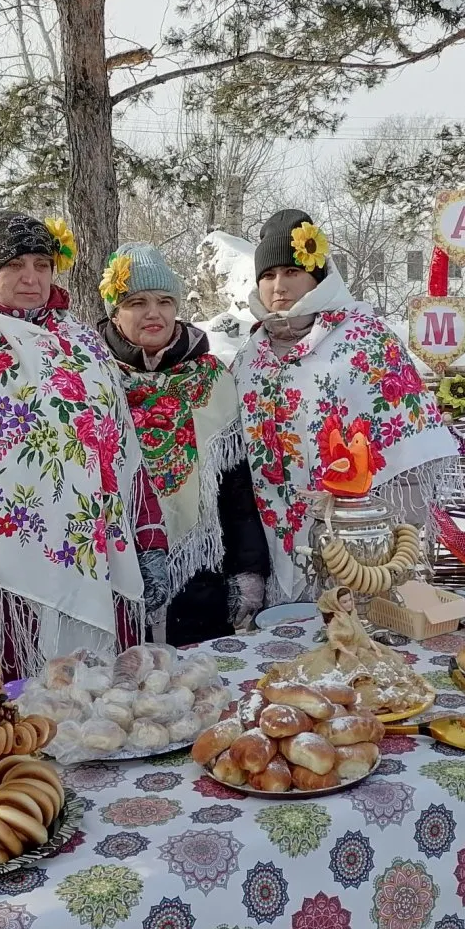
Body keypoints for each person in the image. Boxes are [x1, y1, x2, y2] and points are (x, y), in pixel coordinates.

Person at [0, 210, 169, 678]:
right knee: (25, 715)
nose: (31, 278)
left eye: (41, 265)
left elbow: (122, 447)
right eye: (15, 266)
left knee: (103, 705)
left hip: (98, 554)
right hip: (0, 572)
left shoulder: (83, 343)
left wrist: (149, 537)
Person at [234, 209, 461, 603]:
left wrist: (390, 540)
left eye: (291, 271)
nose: (278, 286)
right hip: (274, 539)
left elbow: (405, 443)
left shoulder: (362, 338)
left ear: (318, 275)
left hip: (360, 540)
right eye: (268, 276)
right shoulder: (252, 354)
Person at [97, 242, 270, 639]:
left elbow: (237, 488)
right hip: (115, 576)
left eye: (164, 300)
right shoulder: (91, 378)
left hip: (200, 577)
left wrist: (248, 570)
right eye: (137, 301)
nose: (153, 313)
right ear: (115, 311)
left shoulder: (211, 379)